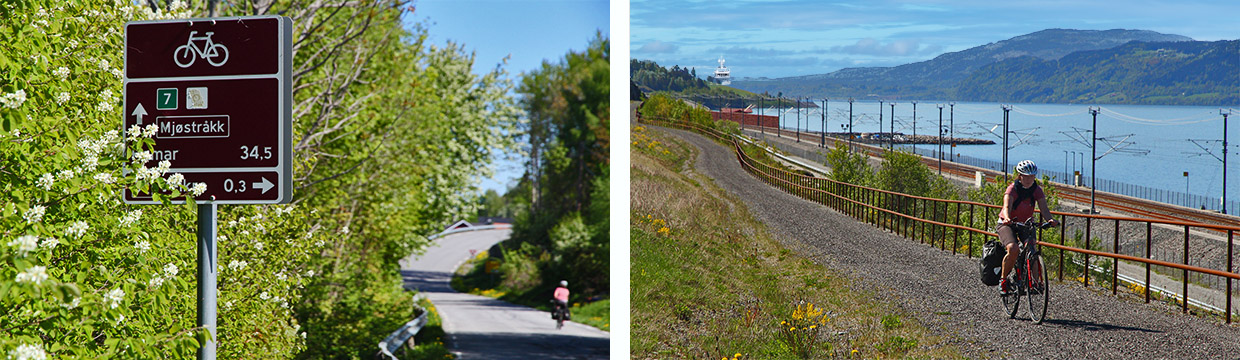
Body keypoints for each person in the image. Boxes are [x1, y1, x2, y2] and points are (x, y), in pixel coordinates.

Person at [997, 160, 1057, 295]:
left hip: (1026, 224)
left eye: (1032, 176)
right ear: (1020, 176)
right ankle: (1003, 280)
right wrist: (1007, 218)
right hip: (1007, 223)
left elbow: (1044, 209)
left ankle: (1034, 284)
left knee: (1032, 249)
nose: (1029, 179)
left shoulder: (1036, 190)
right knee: (1013, 248)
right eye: (1026, 176)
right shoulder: (1012, 189)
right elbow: (1006, 206)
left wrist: (1050, 219)